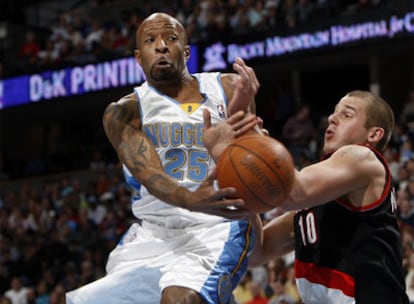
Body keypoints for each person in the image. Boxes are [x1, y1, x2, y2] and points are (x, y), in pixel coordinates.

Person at [66, 12, 261, 304]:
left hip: (216, 225)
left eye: (170, 38)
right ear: (138, 57)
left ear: (185, 51)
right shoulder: (124, 112)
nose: (160, 46)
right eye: (150, 40)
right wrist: (190, 198)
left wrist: (242, 114)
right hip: (153, 235)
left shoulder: (230, 88)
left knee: (179, 299)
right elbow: (151, 175)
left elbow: (257, 165)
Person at [205, 90, 410, 303]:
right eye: (334, 113)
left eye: (346, 115)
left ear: (374, 135)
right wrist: (238, 180)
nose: (332, 118)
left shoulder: (363, 158)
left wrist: (245, 143)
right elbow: (259, 252)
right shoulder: (313, 205)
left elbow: (294, 193)